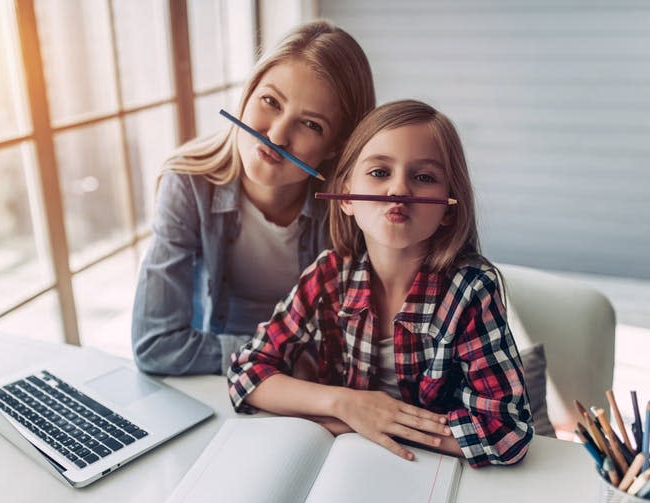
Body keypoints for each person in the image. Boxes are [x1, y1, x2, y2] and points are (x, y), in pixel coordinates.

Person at [227, 100, 533, 468]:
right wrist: (345, 405)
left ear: (448, 208)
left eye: (423, 178)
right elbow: (247, 371)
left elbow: (507, 431)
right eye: (378, 172)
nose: (397, 190)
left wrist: (376, 425)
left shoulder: (470, 290)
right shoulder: (329, 275)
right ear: (345, 196)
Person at [131, 21, 376, 375]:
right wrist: (277, 357)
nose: (276, 135)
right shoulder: (188, 184)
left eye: (311, 125)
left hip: (311, 390)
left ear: (337, 145)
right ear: (247, 96)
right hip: (223, 381)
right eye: (270, 101)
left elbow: (356, 348)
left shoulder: (348, 208)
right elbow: (155, 345)